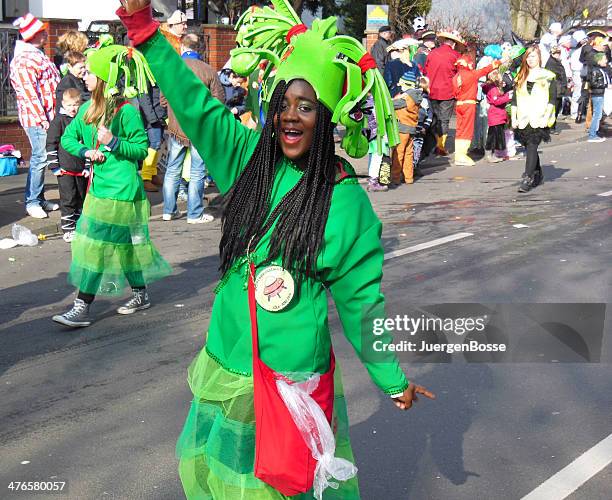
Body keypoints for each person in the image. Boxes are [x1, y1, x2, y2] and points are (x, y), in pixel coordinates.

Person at [118, 1, 434, 498]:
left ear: (325, 118)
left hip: (290, 379)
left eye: (306, 107)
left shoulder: (345, 201)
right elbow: (194, 105)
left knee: (282, 486)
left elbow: (362, 306)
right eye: (284, 102)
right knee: (227, 482)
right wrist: (144, 29)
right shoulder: (247, 157)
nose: (291, 115)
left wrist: (392, 379)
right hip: (226, 364)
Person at [52, 45, 171, 327]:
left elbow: (143, 149)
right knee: (124, 246)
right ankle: (141, 294)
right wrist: (85, 152)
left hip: (123, 193)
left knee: (98, 246)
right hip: (100, 190)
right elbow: (68, 139)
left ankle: (82, 307)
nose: (85, 76)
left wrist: (113, 142)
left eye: (91, 72)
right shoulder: (87, 108)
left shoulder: (126, 112)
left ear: (104, 78)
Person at [161, 32, 224, 223]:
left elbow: (163, 101)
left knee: (172, 169)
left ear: (182, 47)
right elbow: (219, 101)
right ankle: (194, 213)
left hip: (176, 127)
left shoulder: (171, 70)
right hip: (200, 127)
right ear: (199, 50)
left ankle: (168, 210)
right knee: (197, 171)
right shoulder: (208, 70)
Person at [9, 13, 61, 219]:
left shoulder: (36, 55)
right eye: (41, 32)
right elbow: (29, 93)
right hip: (38, 119)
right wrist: (43, 120)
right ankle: (32, 201)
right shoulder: (23, 60)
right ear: (32, 35)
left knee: (43, 158)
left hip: (48, 116)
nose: (46, 35)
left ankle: (38, 199)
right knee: (40, 158)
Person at [46, 88, 89, 243]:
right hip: (65, 170)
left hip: (81, 169)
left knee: (81, 199)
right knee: (68, 200)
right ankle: (68, 229)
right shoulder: (59, 121)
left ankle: (79, 226)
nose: (73, 108)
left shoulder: (82, 120)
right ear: (63, 104)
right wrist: (54, 166)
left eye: (76, 104)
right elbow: (51, 144)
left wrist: (88, 166)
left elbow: (88, 144)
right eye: (70, 105)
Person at [511, 46, 556, 193]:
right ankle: (538, 173)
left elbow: (552, 99)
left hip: (540, 117)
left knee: (532, 145)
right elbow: (515, 100)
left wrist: (546, 117)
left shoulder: (548, 76)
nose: (531, 59)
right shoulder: (520, 76)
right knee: (529, 147)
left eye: (534, 56)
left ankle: (528, 177)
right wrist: (514, 118)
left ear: (539, 58)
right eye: (528, 57)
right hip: (523, 117)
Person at [453, 53, 502, 166]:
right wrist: (501, 61)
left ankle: (458, 154)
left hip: (459, 104)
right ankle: (462, 156)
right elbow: (487, 69)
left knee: (460, 130)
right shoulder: (471, 75)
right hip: (469, 105)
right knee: (467, 130)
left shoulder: (456, 77)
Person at [424, 30, 463, 156]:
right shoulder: (456, 55)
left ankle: (429, 145)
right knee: (444, 120)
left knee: (433, 119)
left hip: (432, 90)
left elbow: (425, 70)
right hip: (448, 92)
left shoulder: (432, 53)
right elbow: (459, 75)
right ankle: (440, 147)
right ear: (453, 43)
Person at [483, 70, 511, 163]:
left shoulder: (494, 88)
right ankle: (489, 155)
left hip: (497, 115)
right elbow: (496, 101)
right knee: (493, 136)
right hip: (496, 115)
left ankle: (493, 154)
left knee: (495, 135)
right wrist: (507, 97)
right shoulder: (493, 89)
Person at [587, 52, 610, 143]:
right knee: (597, 115)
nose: (606, 61)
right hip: (597, 95)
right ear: (599, 61)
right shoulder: (595, 70)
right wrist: (605, 85)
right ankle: (592, 135)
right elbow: (593, 83)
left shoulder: (600, 70)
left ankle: (595, 133)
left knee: (599, 114)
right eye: (604, 59)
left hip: (600, 94)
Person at [544, 45, 568, 131]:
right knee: (554, 108)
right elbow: (551, 76)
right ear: (552, 53)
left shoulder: (556, 61)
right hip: (555, 88)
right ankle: (551, 126)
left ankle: (552, 126)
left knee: (557, 107)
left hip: (559, 88)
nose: (558, 54)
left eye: (559, 53)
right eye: (556, 53)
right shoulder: (551, 62)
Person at [570, 30, 588, 120]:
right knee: (577, 92)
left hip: (583, 72)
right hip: (577, 72)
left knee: (582, 93)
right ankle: (574, 113)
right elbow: (574, 64)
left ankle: (580, 112)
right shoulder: (576, 51)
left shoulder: (584, 49)